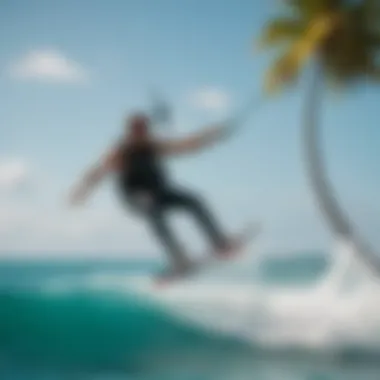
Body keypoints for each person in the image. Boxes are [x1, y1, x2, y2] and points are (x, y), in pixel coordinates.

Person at [69, 113, 240, 274]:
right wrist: (82, 191)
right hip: (134, 198)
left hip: (161, 193)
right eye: (137, 131)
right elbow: (98, 172)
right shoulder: (121, 152)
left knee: (195, 201)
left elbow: (187, 145)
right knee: (151, 207)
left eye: (144, 130)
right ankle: (178, 259)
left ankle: (219, 243)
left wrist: (214, 134)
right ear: (130, 132)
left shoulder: (153, 145)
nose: (141, 134)